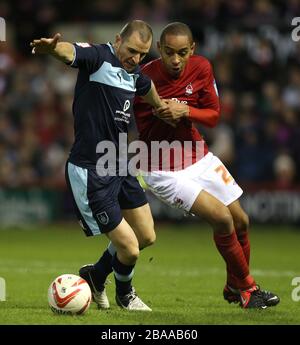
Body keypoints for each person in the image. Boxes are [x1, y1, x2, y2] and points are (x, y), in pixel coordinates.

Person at [133, 22, 280, 309]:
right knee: (223, 219)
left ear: (192, 50)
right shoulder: (144, 76)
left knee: (241, 221)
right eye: (170, 53)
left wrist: (185, 109)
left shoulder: (202, 68)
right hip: (163, 168)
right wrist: (160, 114)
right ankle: (249, 290)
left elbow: (213, 116)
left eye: (183, 53)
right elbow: (141, 124)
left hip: (199, 156)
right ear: (159, 50)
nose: (176, 60)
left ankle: (232, 286)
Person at [30, 20, 166, 311]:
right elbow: (71, 53)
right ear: (117, 40)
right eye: (131, 50)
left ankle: (96, 274)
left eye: (142, 54)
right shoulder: (98, 57)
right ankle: (125, 295)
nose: (136, 58)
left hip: (119, 165)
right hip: (90, 170)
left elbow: (146, 85)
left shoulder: (134, 72)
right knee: (129, 249)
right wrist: (54, 49)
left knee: (146, 237)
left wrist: (160, 106)